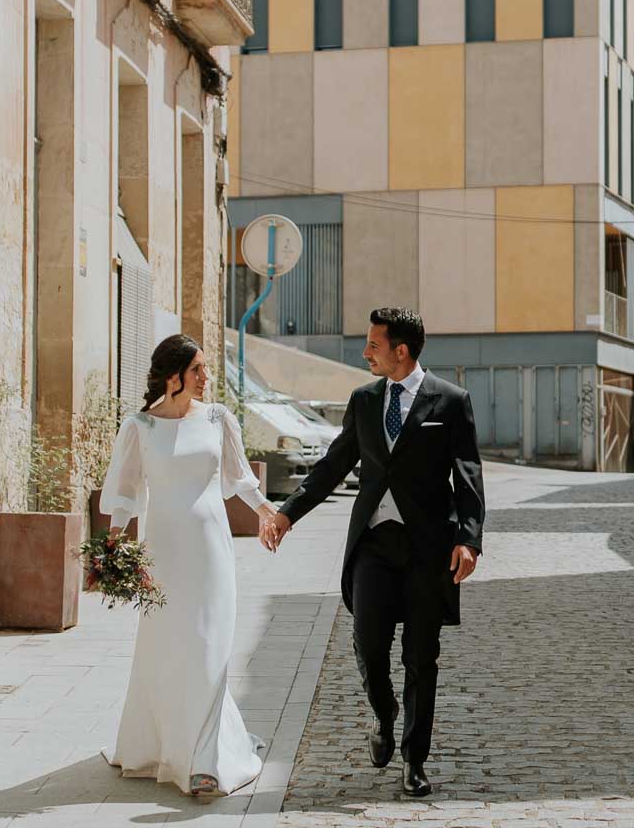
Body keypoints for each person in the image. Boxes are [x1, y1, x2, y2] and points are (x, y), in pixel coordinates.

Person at [265, 307, 484, 800]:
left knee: (420, 657)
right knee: (368, 646)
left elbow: (468, 476)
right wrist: (286, 515)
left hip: (429, 550)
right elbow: (333, 464)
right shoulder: (364, 401)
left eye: (374, 345)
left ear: (400, 350)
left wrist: (469, 539)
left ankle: (414, 760)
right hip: (373, 546)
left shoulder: (450, 402)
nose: (366, 353)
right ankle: (384, 717)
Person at [98, 333, 280, 800]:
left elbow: (239, 477)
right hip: (161, 551)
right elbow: (125, 493)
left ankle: (205, 759)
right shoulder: (140, 426)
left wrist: (268, 514)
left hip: (210, 549)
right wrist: (115, 545)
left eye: (205, 368)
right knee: (167, 645)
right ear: (174, 375)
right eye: (198, 368)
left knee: (208, 643)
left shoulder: (219, 419)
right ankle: (162, 742)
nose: (206, 376)